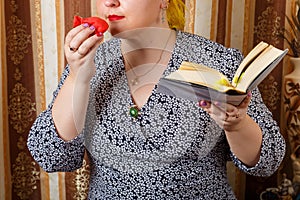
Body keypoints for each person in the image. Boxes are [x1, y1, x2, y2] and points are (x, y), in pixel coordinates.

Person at [27, 0, 286, 199]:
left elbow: (268, 161)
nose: (110, 2)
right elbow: (52, 156)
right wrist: (77, 77)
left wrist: (236, 125)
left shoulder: (217, 61)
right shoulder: (88, 63)